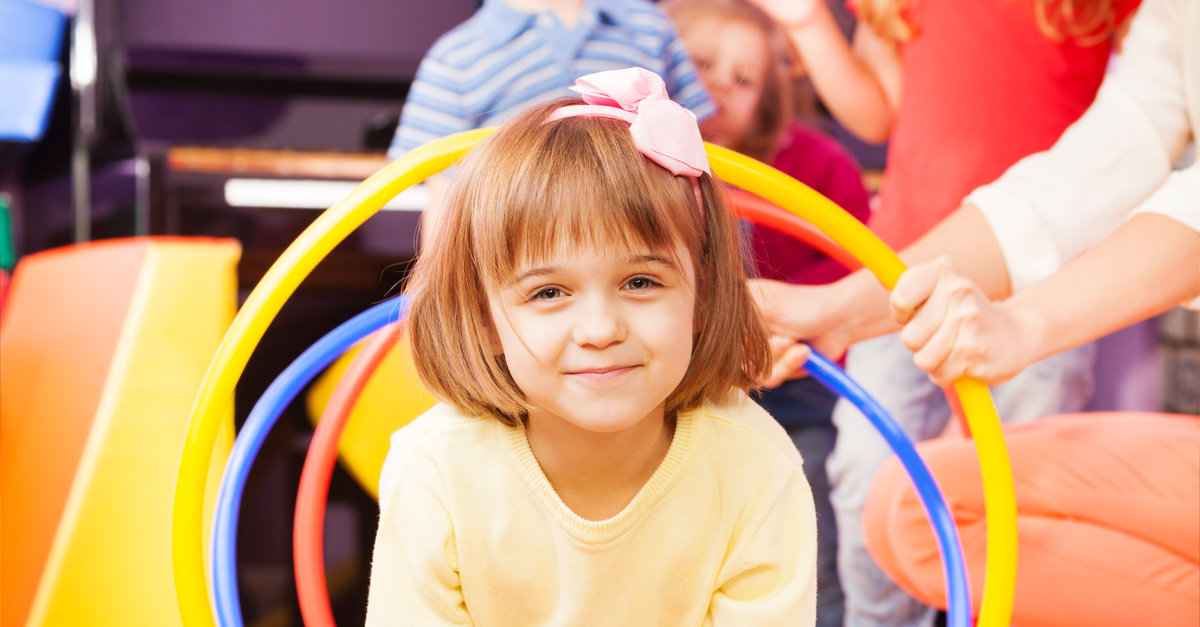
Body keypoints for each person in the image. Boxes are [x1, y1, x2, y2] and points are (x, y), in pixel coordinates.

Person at [759, 0, 1199, 623]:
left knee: (1006, 512)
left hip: (1033, 298)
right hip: (919, 266)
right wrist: (839, 310)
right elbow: (1090, 171)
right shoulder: (1171, 19)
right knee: (901, 512)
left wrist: (1024, 324)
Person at [364, 67, 818, 625]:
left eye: (640, 282)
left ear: (703, 297)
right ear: (483, 319)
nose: (600, 329)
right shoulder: (436, 467)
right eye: (549, 292)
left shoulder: (755, 465)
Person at [663, 1, 872, 624]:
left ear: (772, 94)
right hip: (681, 384)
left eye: (745, 78)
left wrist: (787, 313)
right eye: (703, 64)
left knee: (807, 533)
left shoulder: (815, 162)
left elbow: (856, 262)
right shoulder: (643, 168)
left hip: (795, 383)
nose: (721, 86)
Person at [388, 0, 714, 161]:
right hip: (517, 256)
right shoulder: (453, 57)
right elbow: (445, 198)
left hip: (645, 241)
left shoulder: (650, 27)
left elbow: (701, 150)